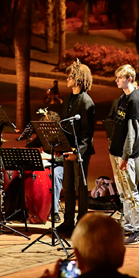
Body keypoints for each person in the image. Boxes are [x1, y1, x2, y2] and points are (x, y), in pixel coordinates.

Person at [107, 65, 139, 245]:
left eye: (119, 77)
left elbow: (133, 132)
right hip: (116, 152)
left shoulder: (135, 101)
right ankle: (129, 225)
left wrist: (125, 156)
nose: (116, 80)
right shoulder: (123, 97)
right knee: (123, 192)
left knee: (131, 192)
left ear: (129, 79)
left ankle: (138, 230)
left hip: (125, 156)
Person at [57, 61, 95, 237]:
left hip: (81, 152)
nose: (67, 79)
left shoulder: (87, 102)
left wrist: (77, 152)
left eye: (71, 76)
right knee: (68, 185)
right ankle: (67, 222)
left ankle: (82, 224)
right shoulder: (68, 99)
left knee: (81, 187)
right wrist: (62, 146)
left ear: (79, 79)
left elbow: (88, 133)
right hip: (67, 149)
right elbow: (64, 125)